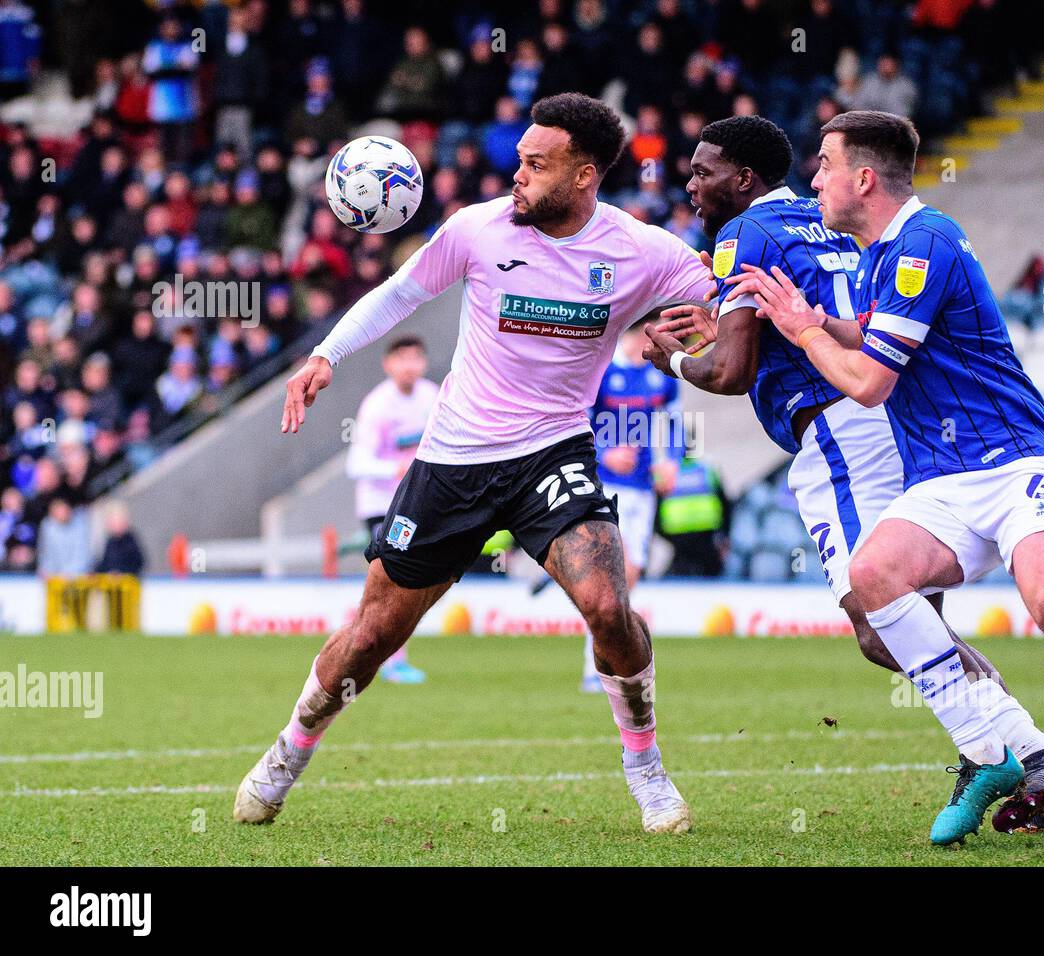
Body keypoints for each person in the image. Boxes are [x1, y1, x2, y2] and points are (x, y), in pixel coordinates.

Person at [233, 93, 715, 835]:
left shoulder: (640, 251)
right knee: (370, 639)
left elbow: (723, 291)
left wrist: (714, 319)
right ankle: (286, 754)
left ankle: (647, 771)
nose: (515, 174)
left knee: (610, 607)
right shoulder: (477, 230)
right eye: (518, 159)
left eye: (534, 164)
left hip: (552, 452)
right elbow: (396, 295)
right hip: (453, 461)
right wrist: (327, 354)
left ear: (584, 176)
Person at [726, 110, 1044, 851]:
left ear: (863, 178)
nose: (815, 180)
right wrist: (809, 316)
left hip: (1016, 459)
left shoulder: (921, 244)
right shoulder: (877, 253)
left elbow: (867, 381)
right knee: (872, 576)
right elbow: (866, 331)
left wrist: (801, 330)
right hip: (944, 479)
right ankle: (990, 751)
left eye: (827, 165)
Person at [644, 114, 1044, 835]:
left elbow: (730, 371)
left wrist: (665, 357)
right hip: (889, 419)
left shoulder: (745, 234)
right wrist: (725, 322)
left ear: (745, 178)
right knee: (914, 620)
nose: (690, 184)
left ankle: (1027, 752)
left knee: (876, 619)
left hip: (839, 429)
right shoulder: (814, 221)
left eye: (703, 172)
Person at [580, 319, 682, 692]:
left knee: (628, 577)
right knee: (609, 571)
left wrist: (671, 461)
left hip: (642, 489)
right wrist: (606, 454)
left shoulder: (662, 375)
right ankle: (596, 667)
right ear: (638, 332)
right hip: (604, 485)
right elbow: (579, 422)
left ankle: (611, 659)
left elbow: (673, 423)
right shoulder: (604, 372)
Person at [346, 336, 439, 683]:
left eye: (416, 358)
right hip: (381, 505)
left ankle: (375, 641)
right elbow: (356, 462)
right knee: (396, 579)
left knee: (412, 580)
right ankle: (391, 657)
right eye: (402, 359)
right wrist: (394, 469)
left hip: (416, 502)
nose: (409, 365)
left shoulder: (432, 396)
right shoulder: (377, 405)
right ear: (388, 364)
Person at [656, 455, 728, 576]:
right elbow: (725, 504)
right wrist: (724, 534)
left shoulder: (665, 473)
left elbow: (655, 508)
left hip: (677, 539)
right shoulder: (707, 469)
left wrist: (660, 531)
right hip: (706, 537)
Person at [95, 500, 146, 575]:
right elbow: (104, 563)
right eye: (112, 522)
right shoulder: (110, 542)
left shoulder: (130, 541)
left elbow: (138, 563)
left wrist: (121, 572)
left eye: (117, 521)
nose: (114, 525)